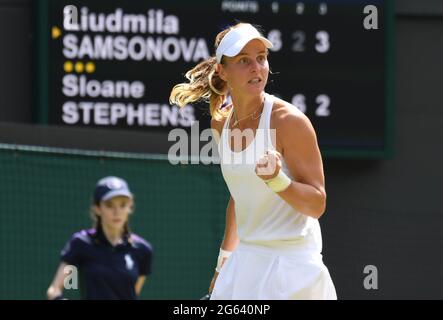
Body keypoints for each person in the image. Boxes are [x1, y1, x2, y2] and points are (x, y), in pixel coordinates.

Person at [170, 22, 336, 300]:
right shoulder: (220, 124)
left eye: (261, 59)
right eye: (244, 61)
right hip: (246, 262)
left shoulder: (289, 121)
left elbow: (317, 204)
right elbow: (240, 197)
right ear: (222, 70)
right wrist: (223, 263)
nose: (256, 68)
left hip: (293, 268)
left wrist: (278, 181)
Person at [46, 176, 153, 300]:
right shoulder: (80, 243)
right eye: (109, 205)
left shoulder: (143, 250)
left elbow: (133, 293)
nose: (117, 212)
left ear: (130, 207)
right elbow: (54, 290)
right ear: (97, 208)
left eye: (123, 205)